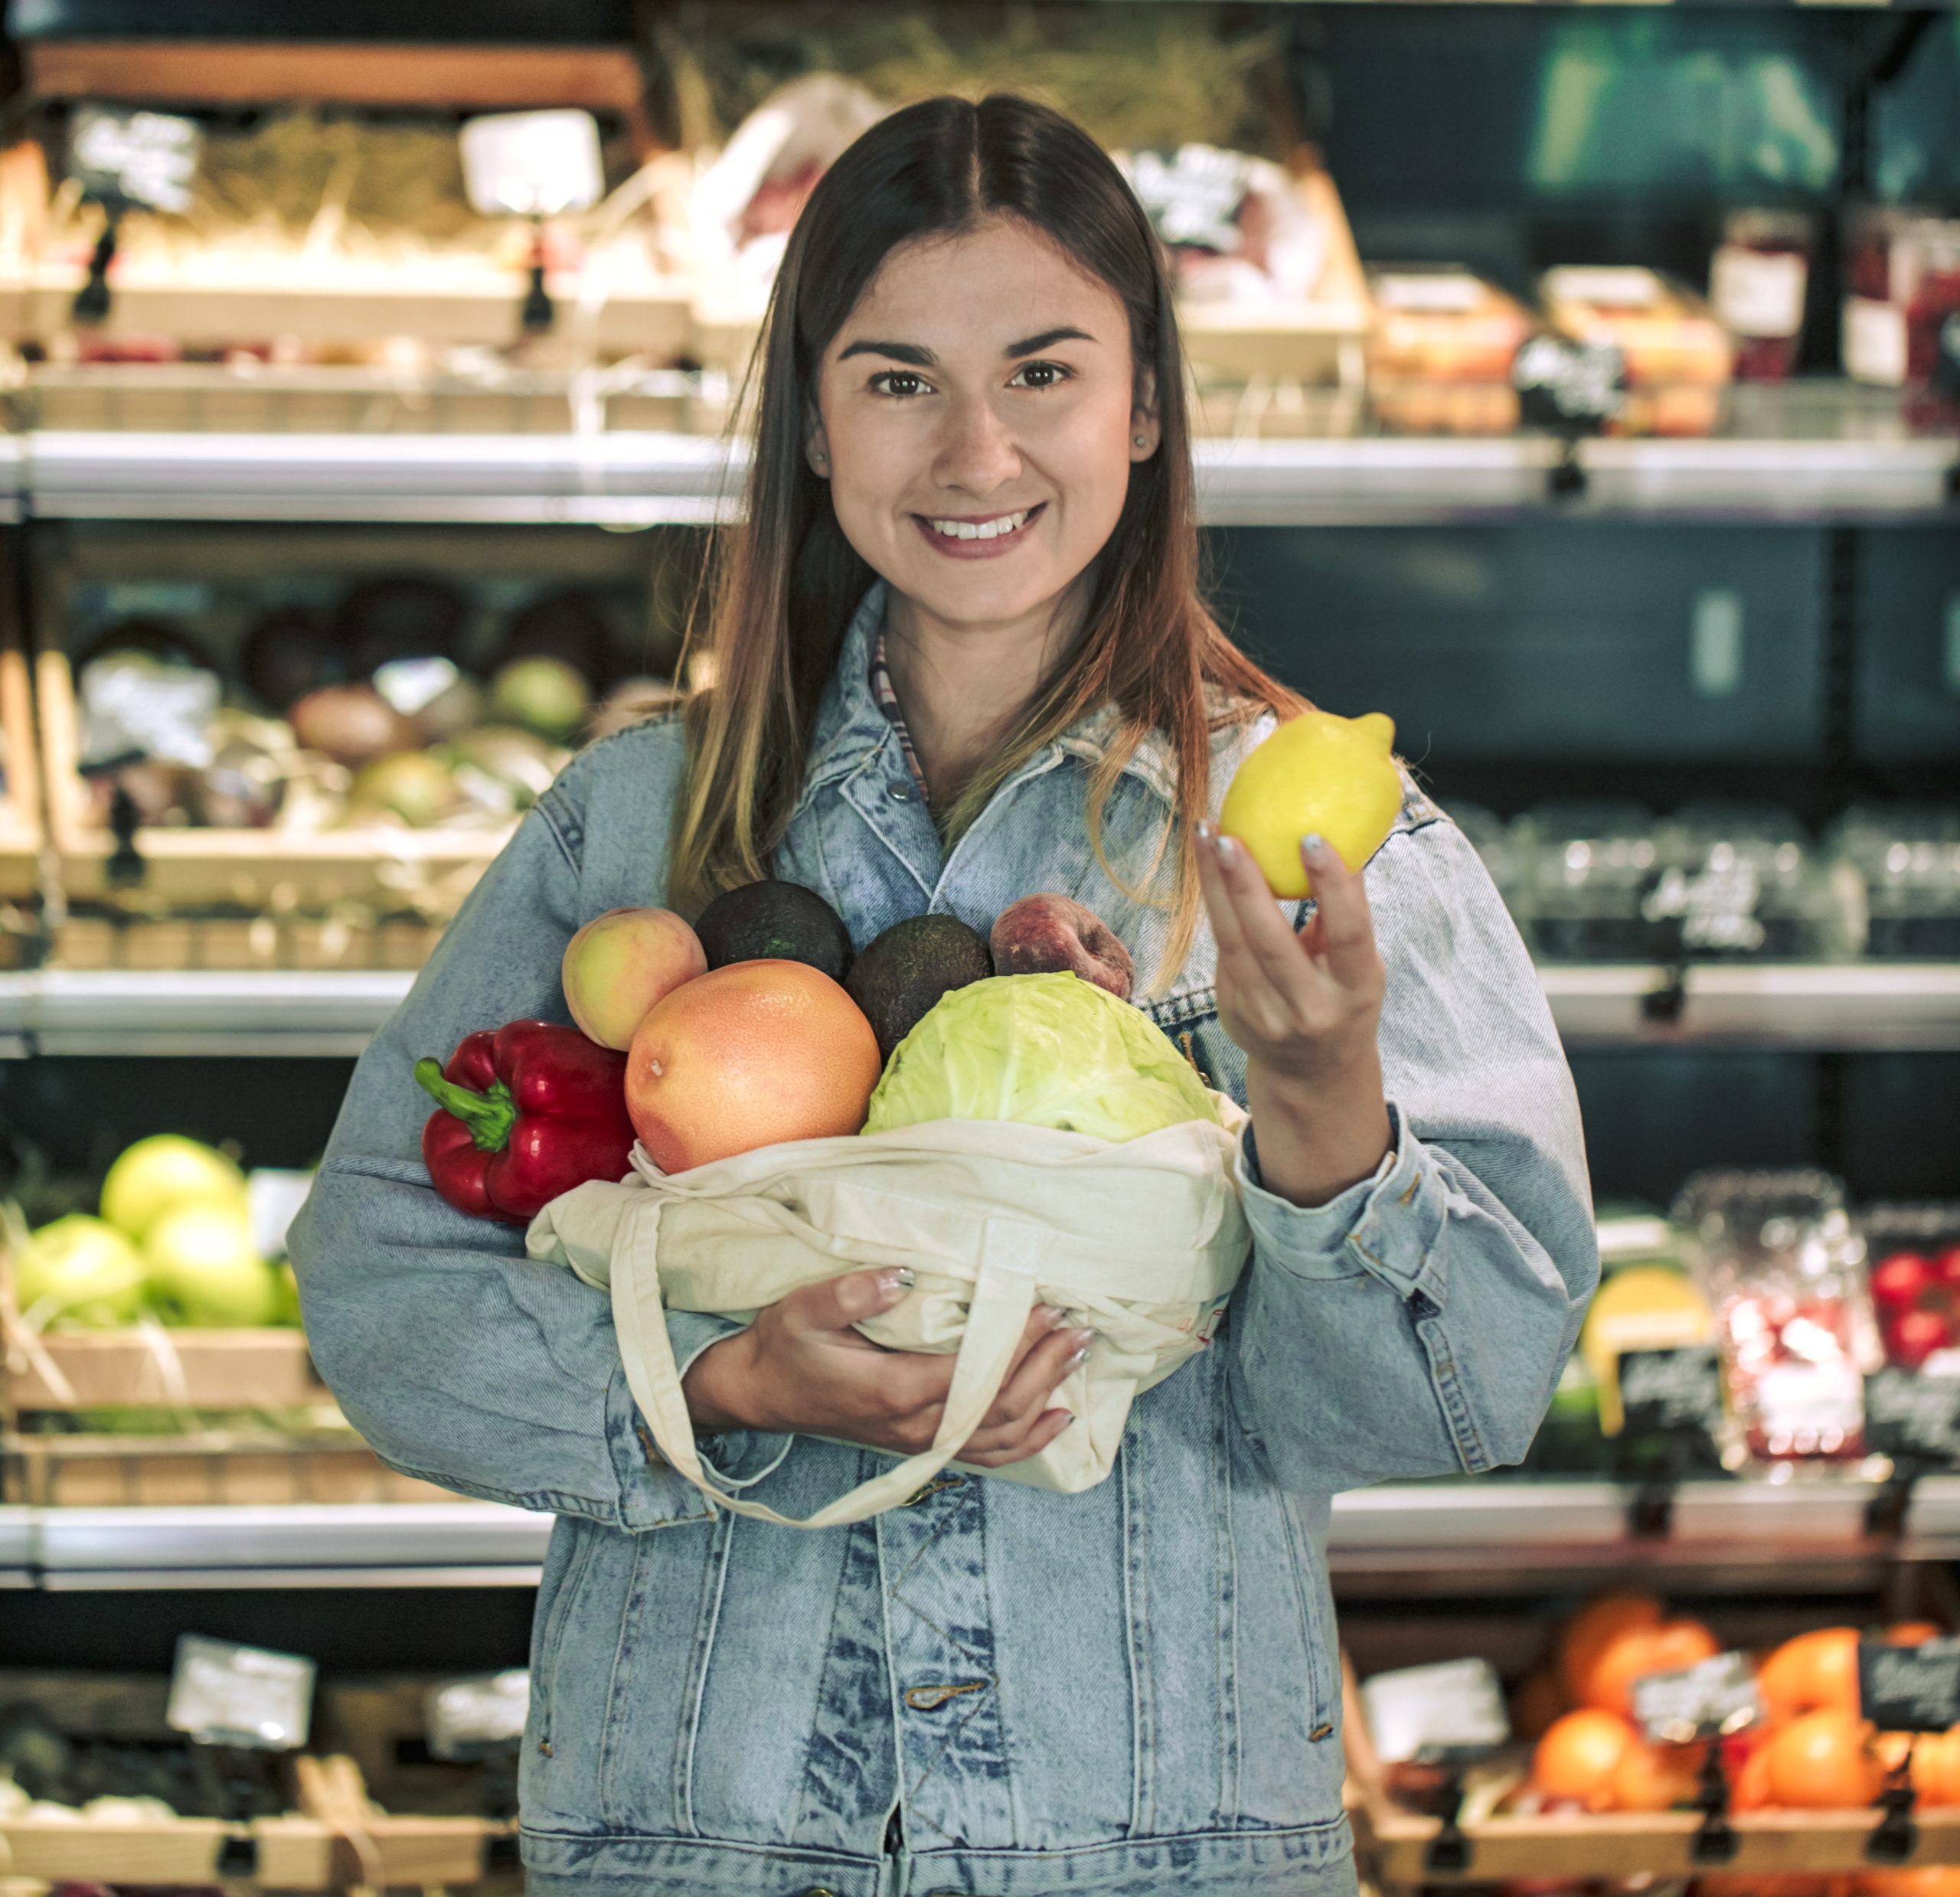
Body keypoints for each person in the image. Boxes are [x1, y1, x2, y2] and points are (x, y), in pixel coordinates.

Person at [290, 93, 1596, 1897]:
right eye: (898, 381)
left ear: (1144, 405)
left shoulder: (1311, 849)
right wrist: (724, 1378)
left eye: (1043, 373)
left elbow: (1456, 1405)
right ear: (813, 427)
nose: (975, 451)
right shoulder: (631, 832)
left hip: (1152, 1850)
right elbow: (374, 1289)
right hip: (705, 1843)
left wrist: (1322, 1141)